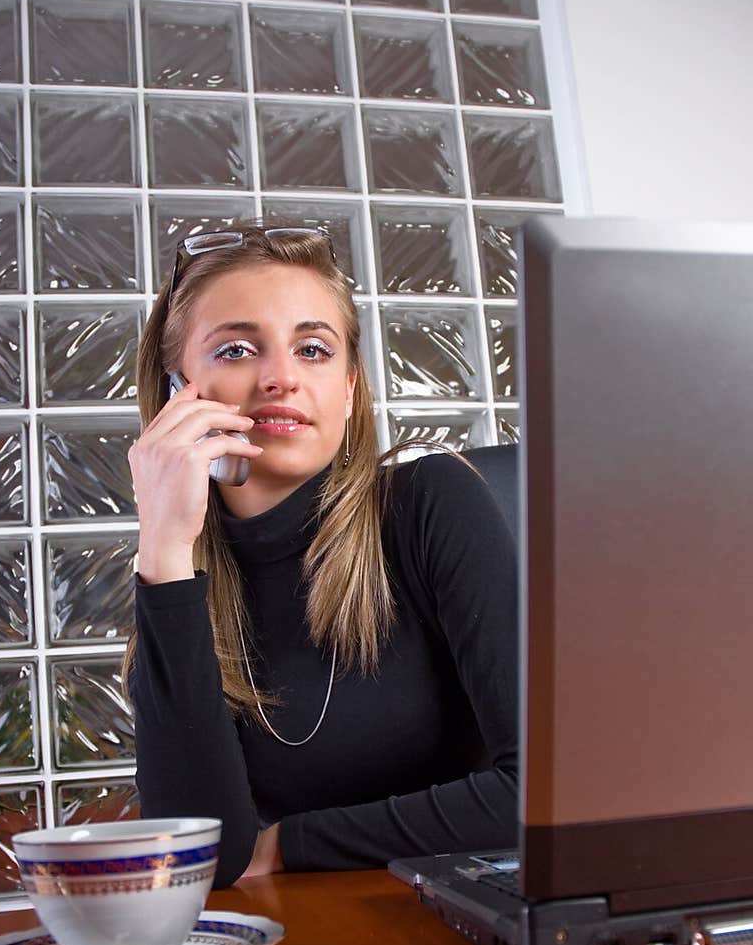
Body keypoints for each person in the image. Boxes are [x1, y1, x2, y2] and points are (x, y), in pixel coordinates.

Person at [125, 223, 518, 887]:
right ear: (175, 394)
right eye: (238, 349)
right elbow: (203, 861)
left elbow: (543, 794)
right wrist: (164, 547)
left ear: (350, 388)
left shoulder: (430, 506)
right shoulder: (174, 586)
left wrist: (287, 845)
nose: (281, 378)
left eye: (312, 349)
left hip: (462, 941)